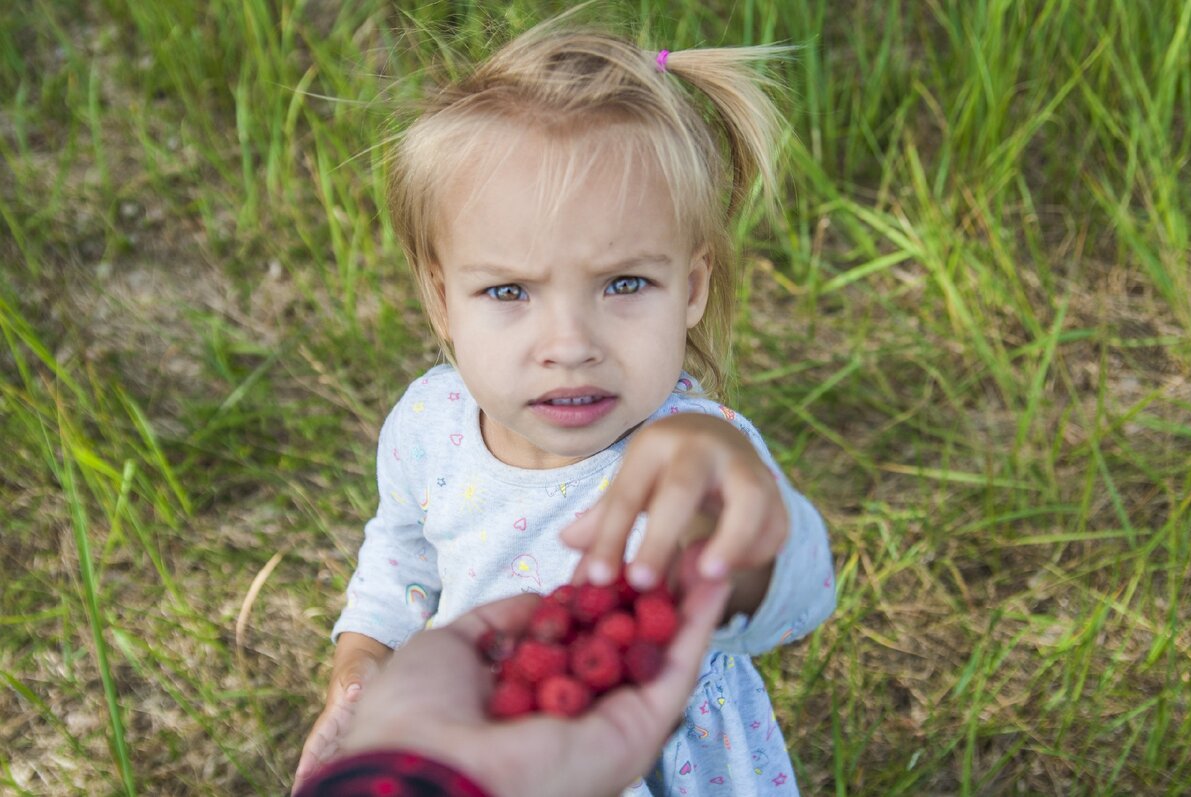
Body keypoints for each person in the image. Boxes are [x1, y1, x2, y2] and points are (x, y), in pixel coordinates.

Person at [296, 15, 837, 797]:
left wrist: (740, 533)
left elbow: (801, 599)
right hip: (488, 750)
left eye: (624, 284)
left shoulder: (691, 456)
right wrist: (360, 663)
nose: (570, 341)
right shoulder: (429, 425)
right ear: (442, 300)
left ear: (692, 286)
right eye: (509, 291)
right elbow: (399, 558)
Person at [295, 575, 734, 796]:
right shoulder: (425, 429)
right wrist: (362, 649)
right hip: (479, 714)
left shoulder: (696, 446)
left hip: (685, 742)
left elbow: (780, 595)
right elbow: (396, 559)